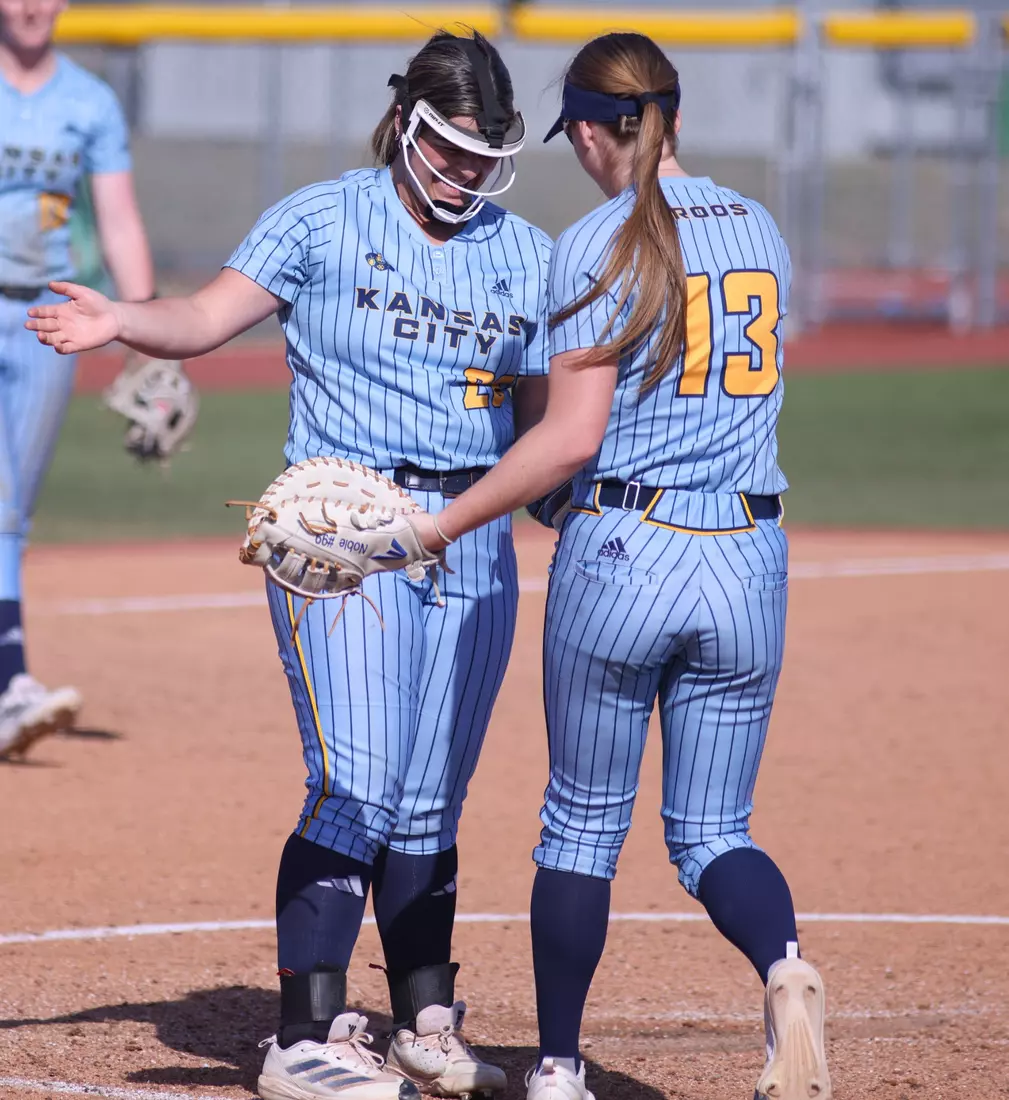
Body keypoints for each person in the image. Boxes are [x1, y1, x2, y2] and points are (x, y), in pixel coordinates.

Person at [27, 28, 551, 1100]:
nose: (464, 172)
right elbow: (204, 316)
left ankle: (423, 1017)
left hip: (470, 535)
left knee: (429, 795)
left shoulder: (528, 253)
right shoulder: (320, 217)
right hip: (337, 530)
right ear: (404, 121)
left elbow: (544, 428)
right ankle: (302, 1036)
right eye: (449, 146)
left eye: (483, 155)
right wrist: (122, 318)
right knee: (356, 778)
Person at [409, 32, 832, 1100]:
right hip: (747, 556)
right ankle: (784, 967)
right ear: (673, 117)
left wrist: (440, 524)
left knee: (582, 825)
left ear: (596, 133)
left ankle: (558, 1065)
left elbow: (569, 442)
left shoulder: (593, 240)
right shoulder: (760, 226)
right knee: (715, 832)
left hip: (624, 553)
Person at [0, 0, 155, 760]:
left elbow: (118, 221)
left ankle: (6, 681)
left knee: (12, 514)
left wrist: (146, 334)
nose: (31, 5)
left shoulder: (89, 102)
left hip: (45, 320)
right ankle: (10, 682)